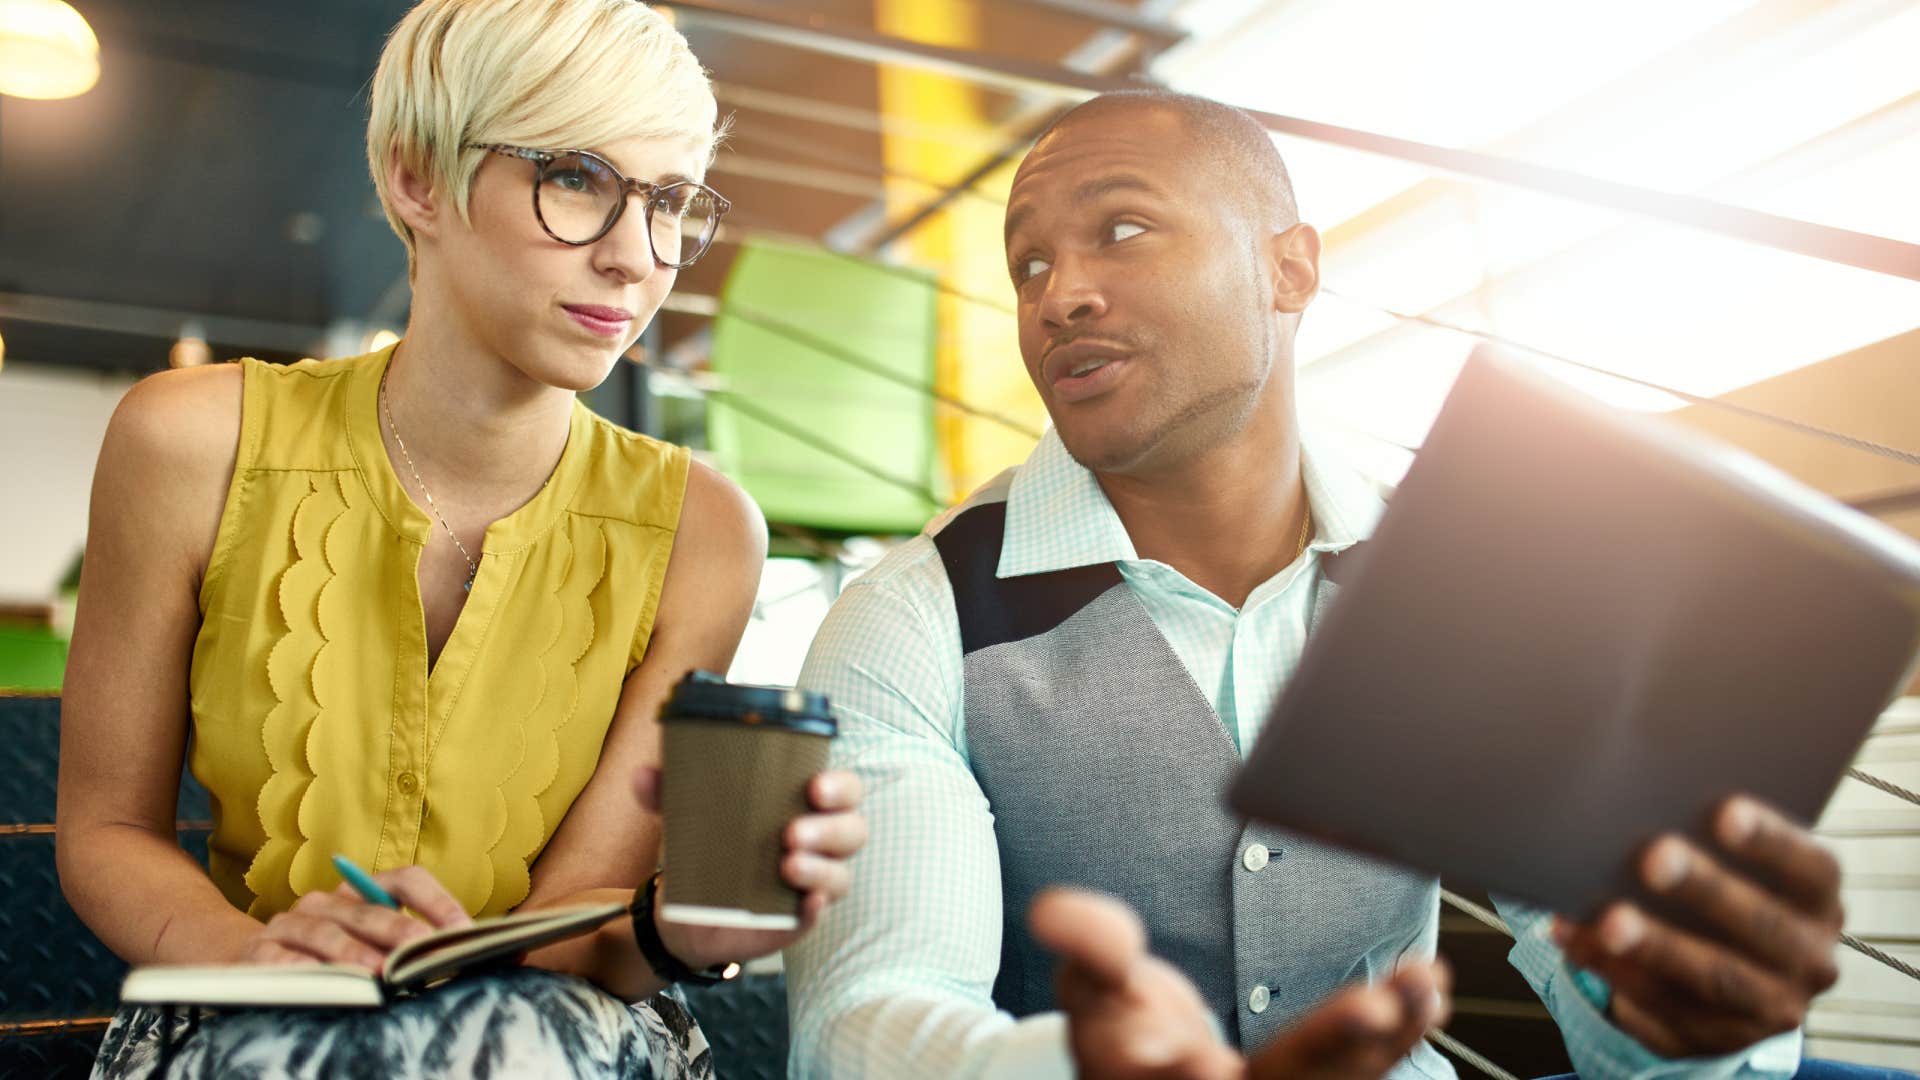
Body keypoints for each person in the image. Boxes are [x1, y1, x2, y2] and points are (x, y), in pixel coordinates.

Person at [785, 90, 1850, 1080]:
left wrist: (1677, 1018)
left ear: (1288, 270)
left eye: (1118, 231)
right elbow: (869, 1010)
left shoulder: (1463, 591)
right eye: (1026, 267)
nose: (1059, 295)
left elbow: (1606, 971)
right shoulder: (910, 619)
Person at [56, 2, 865, 1077]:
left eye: (671, 201)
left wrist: (688, 929)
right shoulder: (187, 440)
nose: (637, 257)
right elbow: (107, 830)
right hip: (242, 995)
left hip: (555, 1025)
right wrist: (259, 956)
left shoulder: (705, 530)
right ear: (416, 180)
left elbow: (580, 919)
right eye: (577, 177)